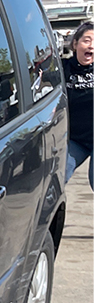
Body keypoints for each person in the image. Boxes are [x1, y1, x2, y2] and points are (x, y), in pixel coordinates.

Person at [64, 20, 93, 188]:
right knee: (58, 175)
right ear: (75, 43)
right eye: (87, 40)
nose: (91, 46)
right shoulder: (62, 68)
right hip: (75, 139)